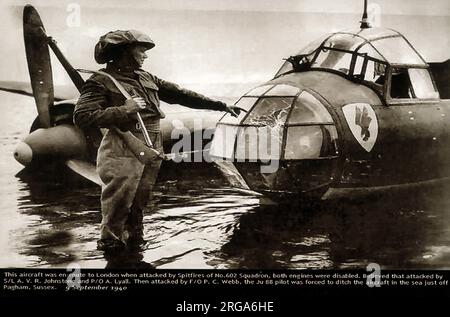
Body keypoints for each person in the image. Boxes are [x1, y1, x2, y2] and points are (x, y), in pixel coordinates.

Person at [73, 30, 240, 251]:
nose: (145, 55)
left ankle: (135, 244)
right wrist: (123, 110)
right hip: (123, 145)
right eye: (141, 50)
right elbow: (82, 116)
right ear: (125, 52)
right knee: (119, 201)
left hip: (152, 144)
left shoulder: (146, 77)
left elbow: (181, 94)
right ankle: (111, 248)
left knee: (140, 199)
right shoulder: (100, 81)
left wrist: (220, 105)